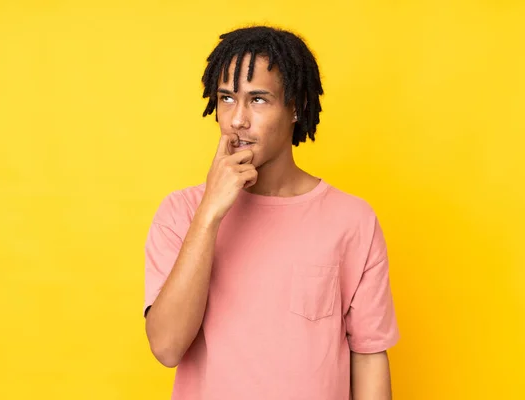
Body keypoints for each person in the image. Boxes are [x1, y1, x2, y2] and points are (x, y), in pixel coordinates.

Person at [143, 25, 399, 400]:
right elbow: (166, 347)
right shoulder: (180, 213)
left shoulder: (353, 220)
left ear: (297, 107)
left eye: (258, 99)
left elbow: (369, 354)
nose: (237, 120)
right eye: (227, 98)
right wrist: (209, 214)